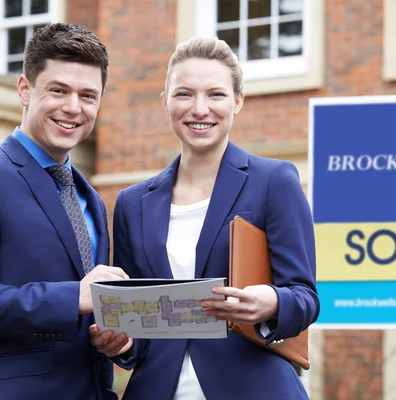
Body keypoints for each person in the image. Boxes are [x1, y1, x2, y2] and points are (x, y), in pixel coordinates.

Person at [89, 36, 320, 399]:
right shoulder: (132, 203)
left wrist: (271, 302)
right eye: (184, 94)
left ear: (237, 101)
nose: (199, 109)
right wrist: (121, 344)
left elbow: (305, 298)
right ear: (165, 103)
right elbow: (137, 327)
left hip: (254, 388)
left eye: (215, 94)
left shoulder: (274, 181)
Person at [0, 23, 128, 400]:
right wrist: (74, 298)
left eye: (88, 95)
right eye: (58, 90)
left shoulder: (93, 200)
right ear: (24, 89)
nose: (73, 107)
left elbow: (89, 311)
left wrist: (117, 340)